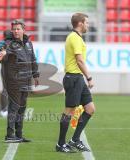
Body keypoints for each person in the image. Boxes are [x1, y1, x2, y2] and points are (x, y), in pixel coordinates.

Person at [56, 13, 95, 153]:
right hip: (73, 78)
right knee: (69, 111)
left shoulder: (76, 37)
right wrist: (89, 77)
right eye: (87, 22)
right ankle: (60, 144)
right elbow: (79, 60)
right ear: (80, 23)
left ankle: (75, 140)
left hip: (77, 78)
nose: (88, 25)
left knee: (90, 108)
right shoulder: (75, 38)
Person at [2, 19, 39, 143]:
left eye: (18, 29)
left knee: (22, 108)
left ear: (24, 30)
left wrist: (36, 74)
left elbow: (33, 59)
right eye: (14, 29)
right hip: (14, 80)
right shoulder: (8, 44)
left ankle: (19, 134)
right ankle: (9, 134)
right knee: (14, 106)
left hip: (26, 80)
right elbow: (1, 55)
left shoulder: (29, 43)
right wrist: (2, 53)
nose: (16, 31)